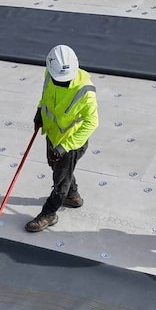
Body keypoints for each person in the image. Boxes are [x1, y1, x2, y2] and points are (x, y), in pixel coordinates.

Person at [25, 45, 99, 233]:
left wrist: (65, 146)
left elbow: (91, 123)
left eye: (65, 81)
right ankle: (72, 196)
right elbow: (46, 94)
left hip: (71, 143)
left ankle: (49, 213)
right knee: (57, 169)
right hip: (52, 134)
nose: (61, 83)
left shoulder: (85, 91)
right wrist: (39, 111)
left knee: (60, 180)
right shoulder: (50, 73)